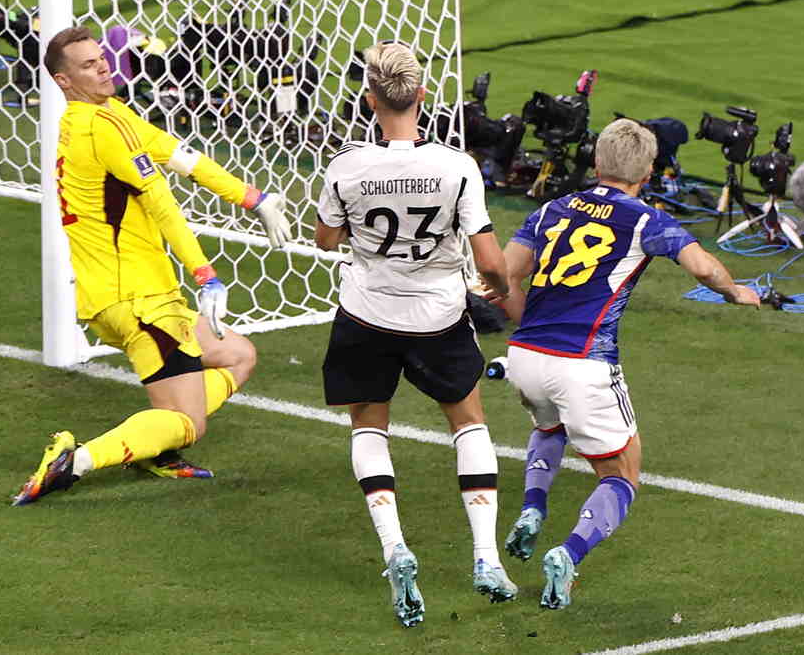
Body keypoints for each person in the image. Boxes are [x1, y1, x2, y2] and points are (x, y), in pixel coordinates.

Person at [12, 25, 290, 505]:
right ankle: (75, 460)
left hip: (133, 295)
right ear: (63, 81)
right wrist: (206, 274)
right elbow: (161, 202)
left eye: (101, 58)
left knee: (238, 355)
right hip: (138, 301)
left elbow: (181, 156)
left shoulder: (110, 115)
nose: (102, 66)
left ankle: (155, 448)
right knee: (190, 422)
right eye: (87, 64)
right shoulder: (99, 129)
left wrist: (251, 197)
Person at [490, 117, 760, 609]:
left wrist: (524, 326)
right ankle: (568, 555)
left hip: (524, 355)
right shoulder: (645, 219)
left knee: (550, 426)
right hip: (584, 363)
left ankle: (532, 509)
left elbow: (504, 274)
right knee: (621, 476)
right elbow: (703, 267)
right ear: (649, 171)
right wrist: (736, 291)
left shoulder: (553, 207)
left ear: (596, 162)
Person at [314, 41, 518, 627]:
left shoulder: (347, 167)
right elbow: (487, 257)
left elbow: (326, 240)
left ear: (369, 99)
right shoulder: (456, 167)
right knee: (469, 421)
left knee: (368, 425)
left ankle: (395, 548)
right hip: (438, 317)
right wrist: (500, 290)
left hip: (366, 314)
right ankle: (485, 557)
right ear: (422, 96)